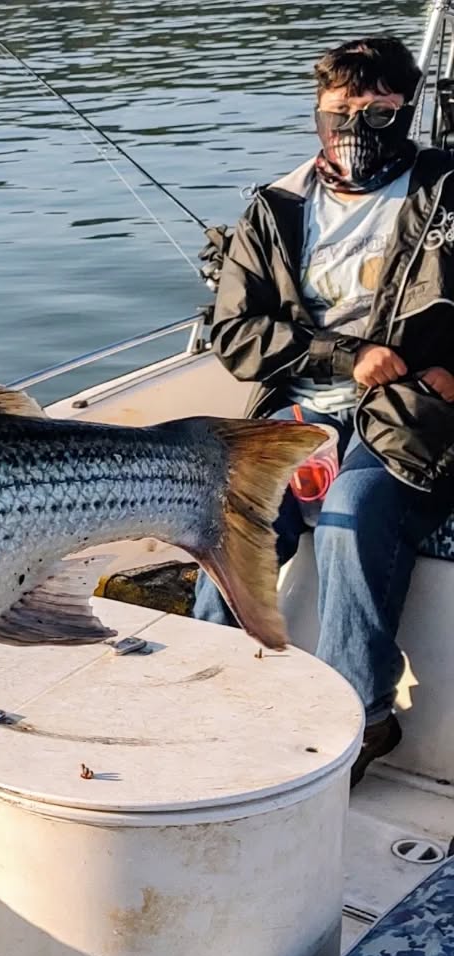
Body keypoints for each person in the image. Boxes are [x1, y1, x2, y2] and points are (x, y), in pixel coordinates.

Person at [195, 35, 454, 785]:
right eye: (338, 112)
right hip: (300, 405)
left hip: (409, 412)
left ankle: (358, 716)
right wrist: (344, 358)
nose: (351, 129)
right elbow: (238, 333)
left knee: (353, 509)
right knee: (233, 506)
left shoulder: (444, 190)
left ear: (405, 112)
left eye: (374, 114)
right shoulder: (276, 207)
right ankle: (208, 685)